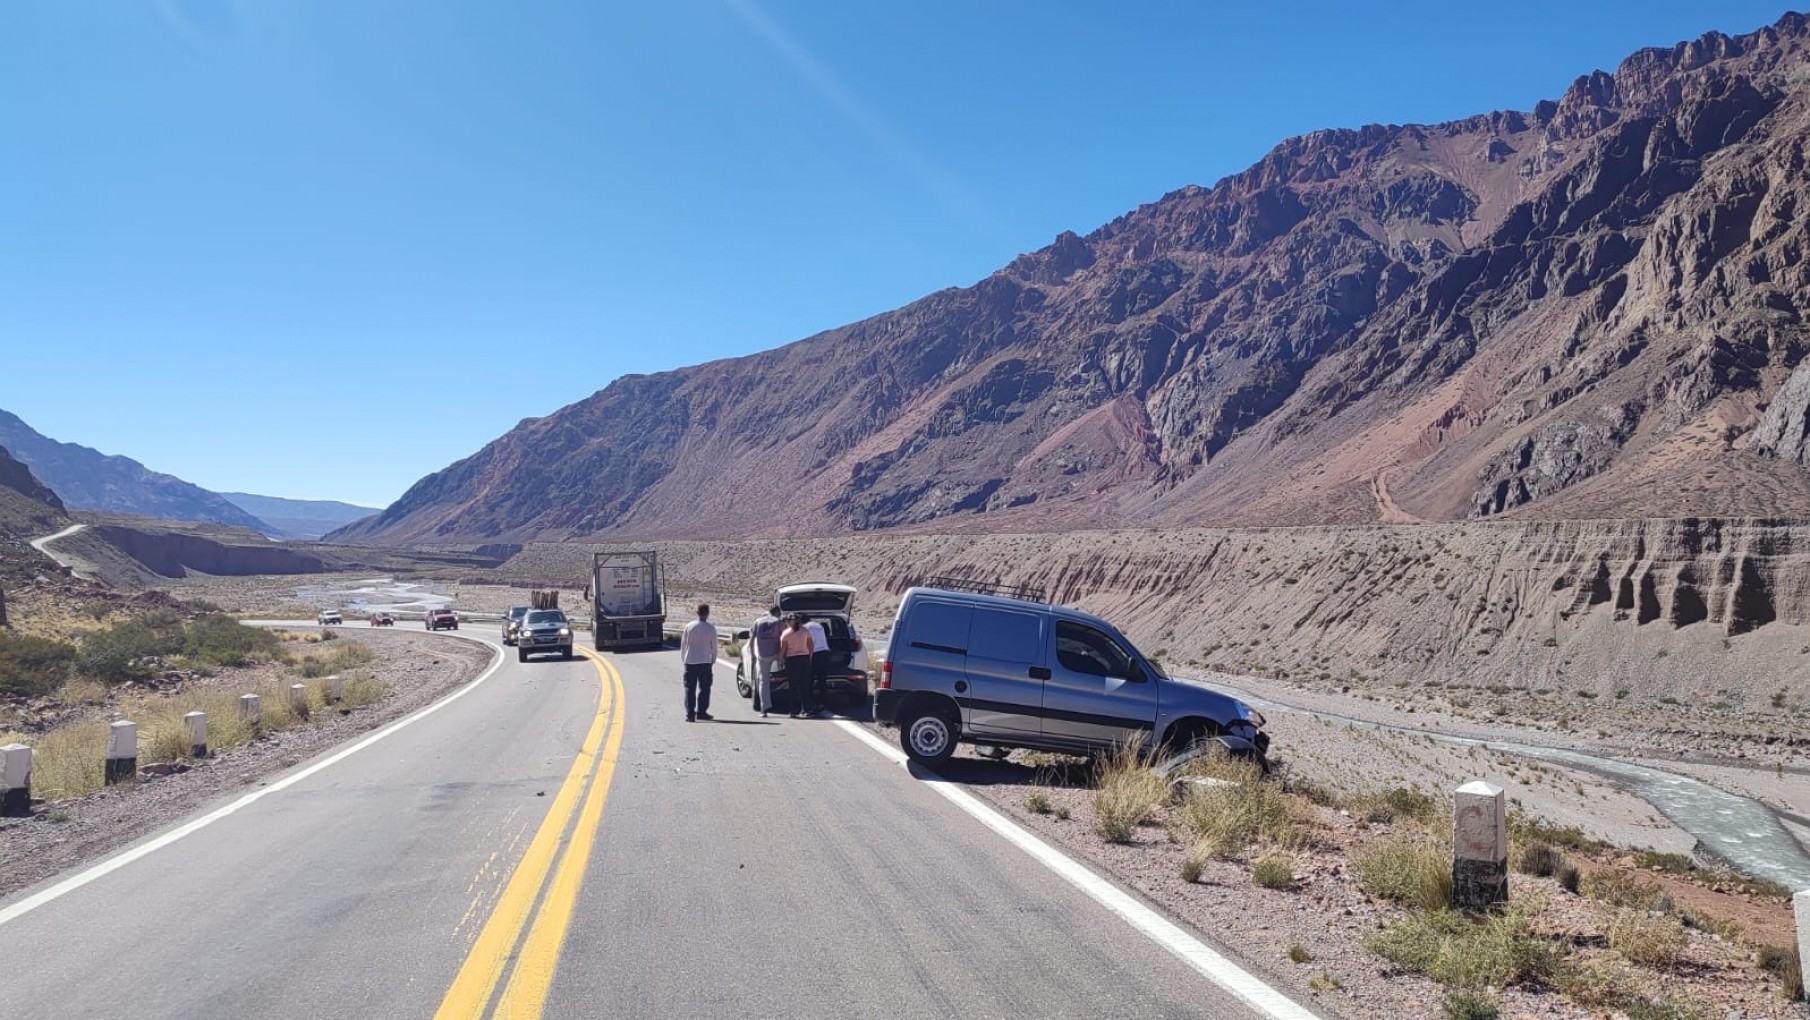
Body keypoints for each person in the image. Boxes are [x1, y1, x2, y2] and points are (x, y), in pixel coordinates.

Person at [679, 603, 718, 722]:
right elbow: (714, 647)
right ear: (708, 613)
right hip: (705, 661)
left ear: (697, 613)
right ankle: (702, 712)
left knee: (690, 688)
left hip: (690, 661)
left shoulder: (689, 626)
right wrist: (713, 659)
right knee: (705, 688)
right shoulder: (710, 628)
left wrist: (683, 658)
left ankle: (690, 714)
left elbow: (683, 644)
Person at [750, 604, 784, 718]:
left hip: (762, 655)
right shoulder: (778, 622)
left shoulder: (758, 621)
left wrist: (753, 654)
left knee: (763, 681)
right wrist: (782, 656)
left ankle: (764, 709)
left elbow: (751, 639)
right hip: (776, 653)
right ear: (777, 612)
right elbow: (783, 638)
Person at [780, 613, 815, 718]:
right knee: (804, 686)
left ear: (789, 621)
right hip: (804, 659)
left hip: (791, 661)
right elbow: (811, 646)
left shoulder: (786, 633)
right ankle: (806, 709)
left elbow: (783, 650)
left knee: (793, 686)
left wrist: (781, 661)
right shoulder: (805, 631)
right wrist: (809, 659)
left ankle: (793, 710)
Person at [804, 616, 831, 717]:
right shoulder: (818, 625)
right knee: (822, 679)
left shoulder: (806, 628)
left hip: (815, 654)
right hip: (825, 652)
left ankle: (810, 703)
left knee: (809, 679)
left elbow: (809, 643)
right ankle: (823, 703)